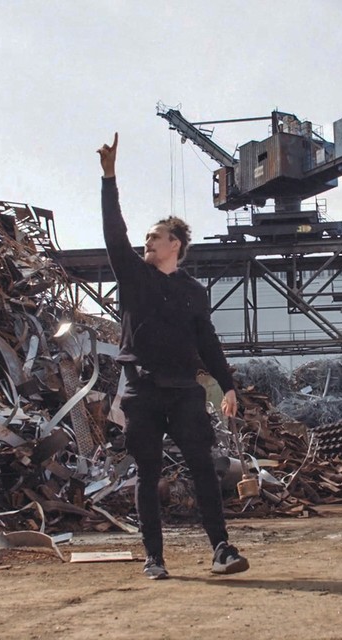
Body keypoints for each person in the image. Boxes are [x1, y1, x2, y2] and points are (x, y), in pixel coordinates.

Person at [97, 132, 249, 580]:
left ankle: (221, 549)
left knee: (202, 468)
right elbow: (114, 234)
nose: (147, 241)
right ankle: (154, 558)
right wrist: (109, 178)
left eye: (155, 236)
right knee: (147, 473)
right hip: (141, 390)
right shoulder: (133, 277)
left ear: (175, 244)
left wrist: (227, 386)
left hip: (184, 391)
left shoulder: (193, 293)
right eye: (146, 235)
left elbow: (208, 342)